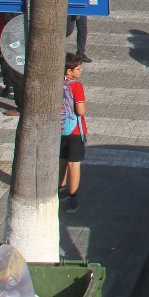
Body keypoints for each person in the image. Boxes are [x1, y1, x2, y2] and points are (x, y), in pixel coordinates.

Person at [60, 54, 88, 211]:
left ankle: (60, 189)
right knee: (73, 164)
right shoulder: (76, 85)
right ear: (69, 71)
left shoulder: (57, 83)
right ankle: (73, 197)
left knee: (62, 160)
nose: (81, 70)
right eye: (78, 68)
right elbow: (81, 110)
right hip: (75, 130)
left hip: (59, 128)